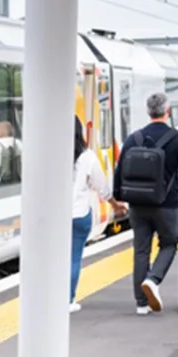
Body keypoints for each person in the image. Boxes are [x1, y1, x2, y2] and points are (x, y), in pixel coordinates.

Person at [112, 93, 178, 314]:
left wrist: (118, 196)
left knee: (141, 250)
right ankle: (153, 279)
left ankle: (141, 303)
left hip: (138, 204)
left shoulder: (134, 138)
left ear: (148, 112)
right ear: (167, 111)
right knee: (170, 243)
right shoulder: (177, 138)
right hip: (167, 203)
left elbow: (119, 170)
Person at [69, 118, 111, 313]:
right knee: (73, 258)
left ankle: (51, 297)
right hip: (79, 214)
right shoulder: (87, 157)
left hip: (54, 218)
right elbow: (101, 186)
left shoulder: (48, 154)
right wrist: (115, 204)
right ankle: (68, 300)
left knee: (54, 259)